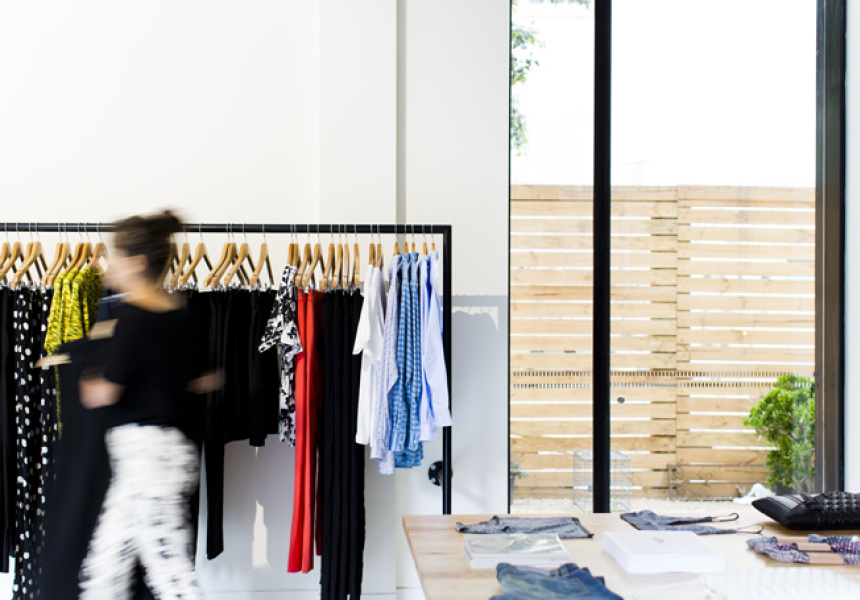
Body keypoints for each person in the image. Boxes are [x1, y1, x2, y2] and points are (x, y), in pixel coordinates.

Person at [78, 211, 218, 600]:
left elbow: (107, 391)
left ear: (137, 263)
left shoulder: (134, 319)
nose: (109, 265)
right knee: (106, 567)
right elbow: (204, 380)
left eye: (115, 257)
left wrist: (84, 381)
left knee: (170, 576)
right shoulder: (180, 314)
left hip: (147, 460)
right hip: (164, 455)